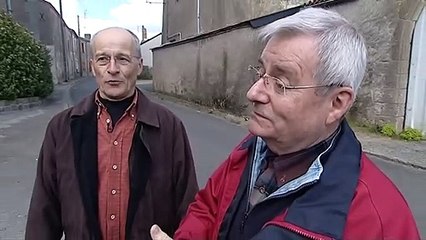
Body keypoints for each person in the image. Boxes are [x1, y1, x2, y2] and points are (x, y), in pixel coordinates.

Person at [150, 7, 420, 240]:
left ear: (337, 103)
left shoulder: (380, 220)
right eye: (260, 72)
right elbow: (208, 208)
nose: (253, 93)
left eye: (280, 83)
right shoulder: (251, 150)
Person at [25, 27, 199, 240]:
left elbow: (188, 206)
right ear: (92, 67)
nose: (112, 68)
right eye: (103, 59)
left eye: (123, 59)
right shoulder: (62, 128)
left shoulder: (169, 127)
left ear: (139, 65)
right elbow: (44, 210)